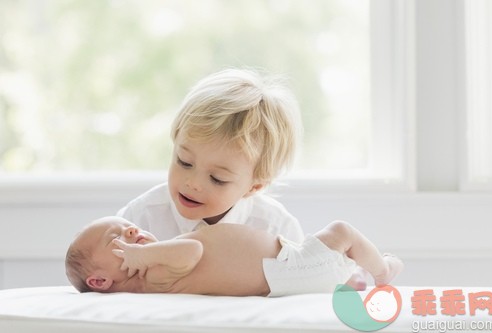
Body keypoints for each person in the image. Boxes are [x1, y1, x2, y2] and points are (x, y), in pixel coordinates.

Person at [117, 68, 367, 289]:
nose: (193, 182)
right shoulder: (141, 218)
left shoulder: (274, 227)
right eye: (184, 162)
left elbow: (300, 284)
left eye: (217, 178)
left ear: (254, 186)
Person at [65, 216, 404, 296]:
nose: (131, 233)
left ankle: (351, 276)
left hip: (289, 262)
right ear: (100, 280)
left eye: (130, 226)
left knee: (337, 245)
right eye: (117, 237)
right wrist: (144, 254)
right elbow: (193, 250)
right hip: (290, 267)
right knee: (342, 232)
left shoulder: (153, 265)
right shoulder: (149, 276)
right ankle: (382, 270)